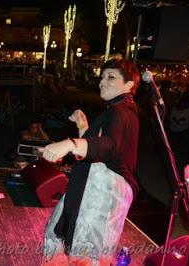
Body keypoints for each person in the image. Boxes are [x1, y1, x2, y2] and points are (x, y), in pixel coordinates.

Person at [42, 59, 140, 265]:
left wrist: (70, 143)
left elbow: (109, 145)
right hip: (96, 191)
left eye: (111, 77)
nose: (102, 82)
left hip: (103, 195)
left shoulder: (121, 111)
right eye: (102, 77)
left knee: (83, 252)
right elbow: (101, 150)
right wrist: (83, 127)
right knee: (65, 236)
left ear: (129, 85)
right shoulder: (118, 110)